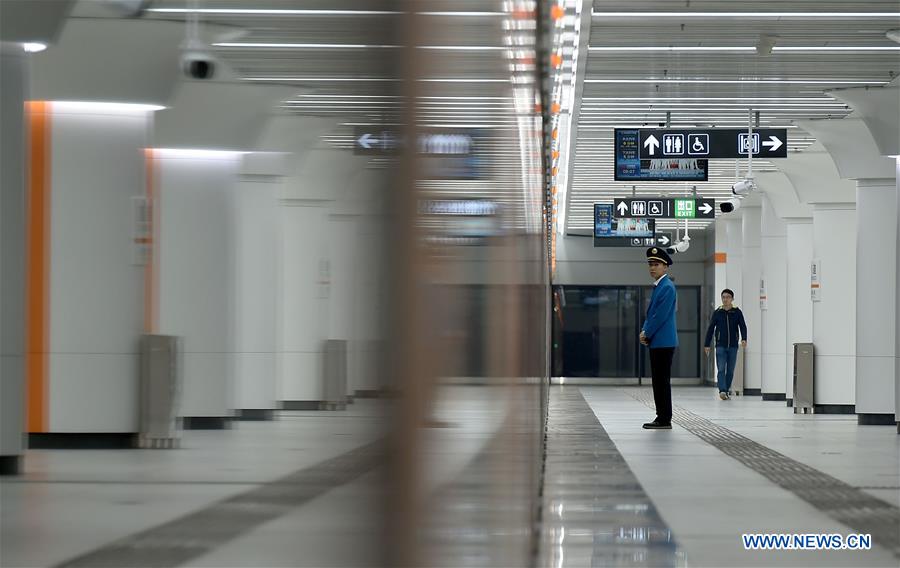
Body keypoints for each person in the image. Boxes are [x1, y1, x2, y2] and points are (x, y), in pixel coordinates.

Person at [640, 247, 678, 430]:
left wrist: (646, 333)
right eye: (650, 265)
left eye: (656, 265)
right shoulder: (660, 286)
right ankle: (661, 416)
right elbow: (651, 314)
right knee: (658, 380)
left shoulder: (667, 287)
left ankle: (664, 418)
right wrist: (644, 331)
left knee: (661, 381)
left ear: (665, 267)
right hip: (658, 341)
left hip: (663, 341)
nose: (652, 268)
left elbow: (660, 316)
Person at [703, 289, 748, 400]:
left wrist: (744, 338)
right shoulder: (718, 312)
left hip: (733, 346)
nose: (725, 299)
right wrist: (707, 344)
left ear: (732, 299)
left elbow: (743, 326)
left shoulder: (737, 312)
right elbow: (710, 328)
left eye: (727, 297)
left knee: (731, 370)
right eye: (723, 297)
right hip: (720, 346)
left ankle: (726, 390)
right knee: (721, 368)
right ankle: (722, 390)